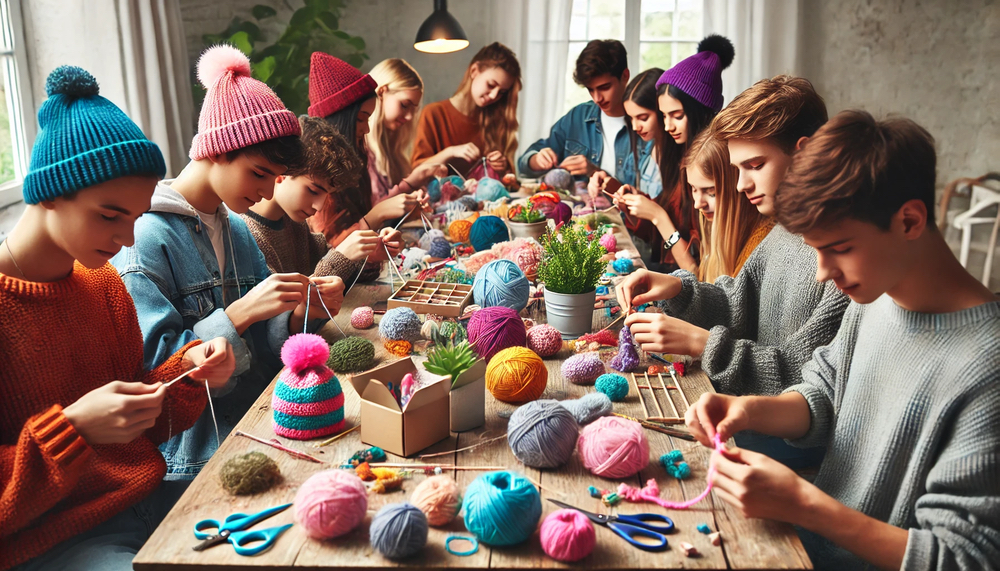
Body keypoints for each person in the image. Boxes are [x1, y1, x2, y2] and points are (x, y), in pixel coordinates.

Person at [686, 110, 1000, 570]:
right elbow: (823, 395)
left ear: (910, 221)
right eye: (816, 250)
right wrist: (750, 409)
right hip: (803, 550)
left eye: (841, 248)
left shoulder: (986, 365)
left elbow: (962, 558)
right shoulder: (874, 298)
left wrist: (804, 504)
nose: (823, 274)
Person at [1, 65, 235, 571]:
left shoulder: (104, 284)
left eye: (135, 218)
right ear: (48, 193)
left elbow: (139, 428)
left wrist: (188, 374)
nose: (127, 240)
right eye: (110, 215)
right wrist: (72, 430)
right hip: (55, 540)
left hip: (148, 499)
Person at [111, 45, 343, 482]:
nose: (267, 191)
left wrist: (299, 311)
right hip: (195, 462)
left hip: (255, 429)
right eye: (258, 173)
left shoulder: (233, 228)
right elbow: (155, 377)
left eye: (274, 178)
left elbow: (262, 345)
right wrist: (240, 312)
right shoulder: (144, 239)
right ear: (218, 149)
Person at [616, 75, 848, 468]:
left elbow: (799, 374)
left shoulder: (842, 261)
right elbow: (738, 300)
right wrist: (677, 289)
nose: (741, 185)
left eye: (755, 165)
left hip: (782, 454)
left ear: (805, 153)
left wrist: (704, 345)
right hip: (744, 423)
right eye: (737, 169)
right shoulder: (782, 232)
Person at [606, 35, 734, 270]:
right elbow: (671, 222)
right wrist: (638, 202)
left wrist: (658, 216)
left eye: (677, 115)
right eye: (664, 116)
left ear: (700, 111)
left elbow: (698, 271)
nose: (667, 126)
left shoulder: (714, 167)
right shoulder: (681, 156)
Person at [307, 52, 433, 276]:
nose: (366, 128)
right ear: (341, 118)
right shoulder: (317, 175)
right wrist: (377, 215)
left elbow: (358, 237)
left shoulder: (357, 162)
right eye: (361, 119)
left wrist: (383, 237)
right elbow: (331, 252)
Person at [244, 116, 399, 288]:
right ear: (282, 172)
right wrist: (341, 257)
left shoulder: (297, 226)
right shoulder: (246, 234)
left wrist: (369, 254)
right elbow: (287, 307)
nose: (318, 206)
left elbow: (336, 271)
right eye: (313, 191)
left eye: (327, 195)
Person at [519, 40, 645, 184]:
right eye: (590, 89)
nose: (597, 98)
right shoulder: (577, 117)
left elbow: (644, 196)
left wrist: (595, 172)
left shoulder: (646, 125)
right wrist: (536, 160)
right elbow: (523, 163)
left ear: (625, 76)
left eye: (604, 87)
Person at [412, 42, 521, 178]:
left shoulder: (496, 121)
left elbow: (510, 185)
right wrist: (450, 152)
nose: (494, 95)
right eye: (491, 85)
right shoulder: (433, 114)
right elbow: (416, 173)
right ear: (474, 71)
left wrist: (501, 167)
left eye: (502, 92)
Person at [683, 130, 774, 282]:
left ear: (736, 187)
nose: (698, 204)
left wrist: (659, 219)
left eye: (711, 192)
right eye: (693, 189)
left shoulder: (761, 244)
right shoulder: (712, 227)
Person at [366, 58, 428, 204]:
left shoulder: (391, 150)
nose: (410, 117)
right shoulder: (359, 147)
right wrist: (411, 183)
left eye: (414, 109)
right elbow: (373, 212)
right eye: (405, 105)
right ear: (381, 93)